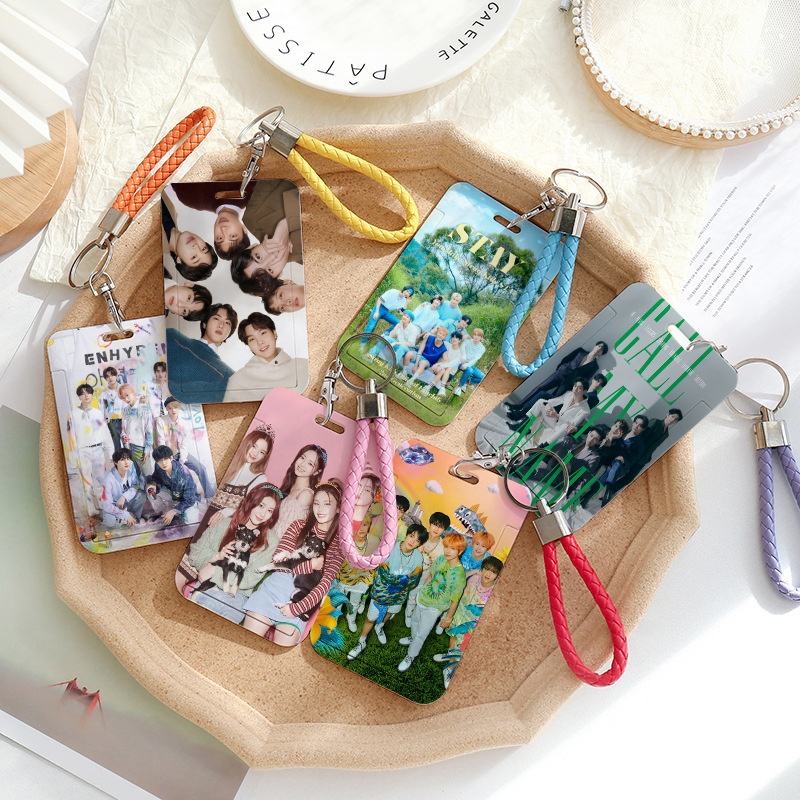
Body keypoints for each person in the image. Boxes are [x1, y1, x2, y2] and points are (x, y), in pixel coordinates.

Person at [243, 481, 344, 645]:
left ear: (338, 508)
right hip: (273, 590)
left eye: (327, 504)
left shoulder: (338, 544)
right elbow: (279, 561)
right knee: (245, 643)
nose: (320, 509)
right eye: (316, 503)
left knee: (278, 652)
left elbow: (324, 584)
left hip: (300, 600)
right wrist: (311, 565)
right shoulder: (298, 525)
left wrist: (297, 608)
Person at [183, 484, 283, 622]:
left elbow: (250, 578)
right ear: (251, 501)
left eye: (270, 510)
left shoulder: (270, 541)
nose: (263, 514)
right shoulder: (225, 523)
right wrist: (216, 557)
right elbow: (196, 551)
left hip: (236, 593)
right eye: (261, 505)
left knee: (213, 603)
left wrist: (213, 572)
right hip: (207, 585)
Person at [346, 524, 428, 659]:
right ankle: (361, 642)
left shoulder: (418, 557)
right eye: (411, 536)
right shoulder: (389, 547)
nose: (412, 541)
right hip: (381, 594)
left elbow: (415, 580)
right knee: (370, 619)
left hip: (398, 597)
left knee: (390, 613)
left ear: (420, 544)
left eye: (417, 540)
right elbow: (384, 573)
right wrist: (404, 579)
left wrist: (398, 580)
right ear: (407, 534)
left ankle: (380, 627)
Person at [398, 532, 467, 672]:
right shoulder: (441, 559)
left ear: (460, 551)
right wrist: (422, 590)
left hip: (435, 608)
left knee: (422, 634)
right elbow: (431, 574)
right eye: (446, 547)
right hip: (423, 598)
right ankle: (412, 638)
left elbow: (455, 600)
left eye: (453, 548)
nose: (448, 551)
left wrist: (448, 618)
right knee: (415, 621)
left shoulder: (460, 575)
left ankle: (410, 656)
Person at [434, 556, 503, 688]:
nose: (488, 574)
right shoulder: (474, 578)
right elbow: (460, 581)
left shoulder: (494, 592)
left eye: (493, 572)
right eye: (486, 569)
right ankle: (449, 657)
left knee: (462, 647)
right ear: (481, 569)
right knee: (453, 638)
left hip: (471, 623)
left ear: (497, 576)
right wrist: (474, 572)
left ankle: (450, 669)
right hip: (459, 614)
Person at [505, 341, 609, 420]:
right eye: (599, 346)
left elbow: (584, 379)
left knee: (549, 400)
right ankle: (519, 406)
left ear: (601, 354)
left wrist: (573, 386)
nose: (599, 349)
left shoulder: (594, 366)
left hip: (568, 385)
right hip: (560, 374)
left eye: (601, 350)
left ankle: (523, 415)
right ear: (595, 346)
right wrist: (560, 368)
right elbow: (566, 358)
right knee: (539, 388)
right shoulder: (581, 351)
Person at [223, 313, 309, 402]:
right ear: (248, 345)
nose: (260, 342)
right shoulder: (238, 381)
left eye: (263, 333)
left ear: (274, 333)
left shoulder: (304, 366)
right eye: (252, 339)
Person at [165, 303, 237, 403]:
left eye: (227, 323)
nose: (221, 325)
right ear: (204, 323)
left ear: (229, 334)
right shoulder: (173, 337)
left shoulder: (230, 376)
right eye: (216, 318)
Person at [335, 474, 381, 632]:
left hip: (360, 579)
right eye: (359, 525)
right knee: (338, 599)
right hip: (343, 576)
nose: (361, 529)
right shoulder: (346, 538)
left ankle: (351, 618)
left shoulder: (373, 541)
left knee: (354, 601)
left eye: (365, 525)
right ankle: (334, 618)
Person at [207, 427, 275, 520]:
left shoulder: (260, 478)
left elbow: (248, 504)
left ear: (265, 456)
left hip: (225, 520)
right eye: (254, 446)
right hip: (205, 509)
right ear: (247, 442)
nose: (255, 453)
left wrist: (224, 513)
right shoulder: (229, 460)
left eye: (262, 452)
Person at [169, 183, 252, 259]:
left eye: (219, 238)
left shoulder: (190, 198)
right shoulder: (251, 192)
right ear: (244, 229)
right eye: (233, 236)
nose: (223, 229)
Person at [155, 396, 214, 498]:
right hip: (167, 456)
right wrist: (168, 459)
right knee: (179, 477)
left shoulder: (183, 423)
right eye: (170, 408)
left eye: (175, 407)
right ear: (167, 409)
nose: (173, 410)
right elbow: (161, 441)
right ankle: (191, 497)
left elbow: (184, 444)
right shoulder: (161, 421)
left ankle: (209, 495)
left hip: (181, 453)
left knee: (201, 468)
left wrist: (182, 459)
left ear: (179, 407)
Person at [70, 383, 114, 517]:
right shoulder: (73, 414)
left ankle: (103, 506)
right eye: (82, 393)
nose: (86, 396)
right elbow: (71, 437)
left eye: (88, 392)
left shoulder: (98, 413)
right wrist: (73, 458)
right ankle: (91, 510)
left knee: (100, 480)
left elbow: (105, 433)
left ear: (92, 395)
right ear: (79, 397)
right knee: (86, 482)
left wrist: (110, 453)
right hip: (82, 451)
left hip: (98, 450)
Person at [272, 444, 327, 539]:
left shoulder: (306, 495)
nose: (302, 464)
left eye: (310, 464)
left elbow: (287, 533)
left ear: (317, 472)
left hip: (277, 545)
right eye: (302, 458)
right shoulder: (290, 486)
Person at [404, 511, 449, 625]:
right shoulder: (421, 535)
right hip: (408, 568)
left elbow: (437, 566)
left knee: (414, 594)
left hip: (425, 574)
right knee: (401, 588)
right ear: (430, 523)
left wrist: (430, 577)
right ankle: (395, 607)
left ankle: (408, 613)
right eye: (435, 524)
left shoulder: (443, 546)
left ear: (444, 530)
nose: (436, 529)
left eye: (441, 527)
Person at [514, 379, 591, 446]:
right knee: (541, 402)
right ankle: (523, 426)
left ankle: (543, 447)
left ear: (584, 391)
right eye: (575, 386)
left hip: (561, 430)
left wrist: (556, 415)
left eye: (579, 388)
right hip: (554, 422)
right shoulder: (569, 394)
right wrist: (547, 404)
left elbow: (572, 425)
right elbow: (556, 401)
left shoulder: (585, 410)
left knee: (565, 426)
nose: (575, 389)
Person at [229, 217, 303, 286]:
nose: (272, 256)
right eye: (270, 270)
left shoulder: (254, 218)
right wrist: (286, 224)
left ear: (253, 246)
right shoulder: (305, 258)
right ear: (279, 274)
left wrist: (285, 224)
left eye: (258, 257)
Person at [161, 197, 217, 281]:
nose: (196, 246)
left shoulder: (155, 242)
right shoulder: (173, 212)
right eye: (204, 248)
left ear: (179, 260)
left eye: (194, 257)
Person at [600, 415, 649, 506]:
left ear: (643, 429)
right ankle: (604, 489)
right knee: (609, 465)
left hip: (622, 466)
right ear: (633, 423)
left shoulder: (640, 444)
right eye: (636, 423)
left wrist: (624, 459)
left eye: (640, 426)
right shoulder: (623, 432)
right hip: (611, 457)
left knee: (616, 464)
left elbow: (633, 460)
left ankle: (608, 491)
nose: (636, 426)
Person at [150, 444, 201, 525]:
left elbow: (190, 499)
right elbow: (155, 478)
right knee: (150, 491)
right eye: (160, 460)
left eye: (166, 459)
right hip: (172, 494)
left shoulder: (184, 474)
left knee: (190, 520)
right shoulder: (158, 466)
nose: (163, 463)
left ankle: (175, 511)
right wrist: (153, 486)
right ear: (156, 462)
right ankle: (164, 511)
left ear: (171, 458)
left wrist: (174, 511)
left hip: (188, 499)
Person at [99, 448, 147, 528]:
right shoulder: (108, 480)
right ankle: (128, 518)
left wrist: (124, 496)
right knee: (110, 521)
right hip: (114, 508)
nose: (126, 462)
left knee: (141, 495)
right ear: (115, 462)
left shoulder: (130, 471)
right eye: (122, 459)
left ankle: (134, 518)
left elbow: (135, 485)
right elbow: (106, 505)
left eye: (128, 459)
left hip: (126, 503)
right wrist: (125, 514)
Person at [118, 383, 153, 475]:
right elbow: (123, 429)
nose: (126, 399)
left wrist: (147, 449)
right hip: (128, 447)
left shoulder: (144, 408)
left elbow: (149, 431)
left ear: (133, 392)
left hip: (141, 447)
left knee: (147, 475)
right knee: (134, 475)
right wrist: (124, 436)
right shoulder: (125, 410)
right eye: (123, 398)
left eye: (127, 395)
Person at [454, 328, 486, 396]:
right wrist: (463, 360)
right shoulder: (467, 341)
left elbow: (475, 359)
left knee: (483, 377)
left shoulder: (482, 348)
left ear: (481, 337)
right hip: (460, 361)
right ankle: (459, 387)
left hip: (470, 364)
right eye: (475, 334)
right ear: (473, 335)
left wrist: (467, 365)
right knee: (470, 370)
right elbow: (462, 352)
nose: (476, 337)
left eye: (478, 335)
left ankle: (465, 383)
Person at [100, 366, 125, 451]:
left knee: (128, 443)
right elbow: (102, 410)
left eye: (112, 375)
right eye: (107, 376)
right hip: (112, 422)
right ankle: (118, 459)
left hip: (125, 419)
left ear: (116, 376)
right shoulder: (104, 393)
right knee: (116, 445)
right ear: (105, 379)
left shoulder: (123, 389)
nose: (110, 378)